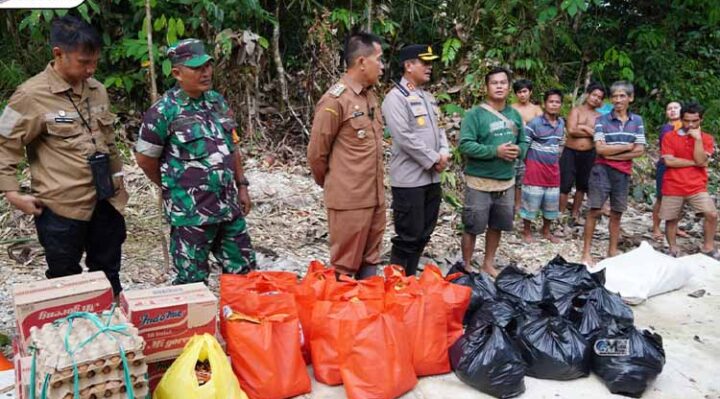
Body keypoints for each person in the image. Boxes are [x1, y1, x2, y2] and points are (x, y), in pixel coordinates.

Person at [0, 16, 128, 296]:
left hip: (105, 201)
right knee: (65, 281)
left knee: (108, 274)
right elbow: (4, 142)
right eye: (84, 62)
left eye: (95, 61)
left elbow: (109, 142)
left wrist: (119, 185)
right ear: (58, 54)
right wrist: (11, 192)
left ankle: (110, 328)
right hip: (60, 208)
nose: (91, 69)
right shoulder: (30, 95)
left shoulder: (97, 90)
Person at [135, 38, 256, 285]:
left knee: (244, 272)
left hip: (227, 207)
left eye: (208, 66)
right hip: (191, 215)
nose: (206, 72)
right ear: (177, 73)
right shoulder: (163, 112)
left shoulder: (217, 102)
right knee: (192, 281)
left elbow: (232, 147)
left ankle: (239, 321)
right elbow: (145, 159)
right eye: (198, 68)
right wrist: (174, 188)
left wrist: (241, 186)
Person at [307, 32, 385, 279]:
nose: (382, 67)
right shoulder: (335, 101)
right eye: (379, 60)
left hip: (374, 196)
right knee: (345, 266)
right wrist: (335, 185)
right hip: (349, 200)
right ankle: (342, 314)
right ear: (362, 62)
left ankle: (366, 310)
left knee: (371, 259)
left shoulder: (369, 97)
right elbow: (317, 154)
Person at [382, 44, 449, 276]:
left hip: (431, 178)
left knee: (423, 233)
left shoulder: (428, 97)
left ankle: (408, 280)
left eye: (431, 63)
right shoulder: (395, 98)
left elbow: (440, 129)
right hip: (410, 180)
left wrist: (444, 152)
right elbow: (404, 137)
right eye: (424, 62)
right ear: (408, 66)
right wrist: (432, 159)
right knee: (407, 236)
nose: (429, 67)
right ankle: (396, 285)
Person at [459, 67, 528, 276]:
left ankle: (488, 263)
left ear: (509, 87)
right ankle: (466, 264)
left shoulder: (514, 114)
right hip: (479, 182)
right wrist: (494, 151)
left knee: (497, 225)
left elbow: (524, 142)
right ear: (486, 87)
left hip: (506, 182)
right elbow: (465, 145)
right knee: (472, 225)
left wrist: (519, 150)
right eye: (494, 83)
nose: (499, 86)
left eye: (503, 83)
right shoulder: (475, 115)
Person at [581, 81, 646, 266]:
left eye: (622, 96)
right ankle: (586, 252)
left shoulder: (637, 121)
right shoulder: (601, 120)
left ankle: (612, 250)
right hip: (601, 170)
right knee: (594, 210)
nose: (618, 100)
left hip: (623, 173)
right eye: (615, 96)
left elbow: (640, 150)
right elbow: (600, 149)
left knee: (617, 212)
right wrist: (626, 147)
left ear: (630, 98)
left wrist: (613, 153)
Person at [659, 102, 718, 259]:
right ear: (681, 119)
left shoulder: (706, 138)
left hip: (697, 186)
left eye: (695, 121)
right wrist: (695, 163)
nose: (690, 124)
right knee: (671, 218)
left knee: (711, 213)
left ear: (701, 120)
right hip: (673, 185)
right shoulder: (669, 136)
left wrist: (697, 140)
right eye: (687, 120)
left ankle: (708, 247)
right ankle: (673, 248)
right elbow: (669, 162)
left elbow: (701, 158)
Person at [520, 89, 565, 243]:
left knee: (551, 204)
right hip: (534, 170)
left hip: (553, 170)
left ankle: (546, 231)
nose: (554, 105)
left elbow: (560, 146)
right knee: (530, 203)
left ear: (561, 105)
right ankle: (526, 231)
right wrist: (525, 164)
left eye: (557, 102)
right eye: (551, 101)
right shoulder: (535, 123)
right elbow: (524, 145)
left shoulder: (561, 124)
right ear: (545, 104)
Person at [559, 83, 605, 222]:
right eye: (594, 95)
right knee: (565, 184)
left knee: (582, 184)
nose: (596, 99)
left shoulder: (600, 117)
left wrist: (583, 127)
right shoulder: (576, 111)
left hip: (589, 153)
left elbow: (600, 135)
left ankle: (575, 212)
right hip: (570, 151)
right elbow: (571, 131)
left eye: (599, 97)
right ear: (588, 95)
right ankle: (560, 212)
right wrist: (589, 130)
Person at [652, 101, 688, 240]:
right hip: (666, 165)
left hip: (683, 166)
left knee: (680, 197)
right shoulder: (666, 128)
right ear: (666, 113)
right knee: (661, 197)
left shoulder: (688, 126)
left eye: (675, 108)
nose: (672, 110)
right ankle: (656, 227)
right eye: (669, 109)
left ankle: (675, 226)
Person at [511, 79, 543, 213]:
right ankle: (511, 204)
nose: (522, 95)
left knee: (525, 178)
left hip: (532, 148)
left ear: (530, 92)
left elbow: (542, 128)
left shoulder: (536, 109)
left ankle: (522, 205)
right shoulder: (511, 108)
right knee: (513, 176)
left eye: (525, 91)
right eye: (519, 92)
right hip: (514, 146)